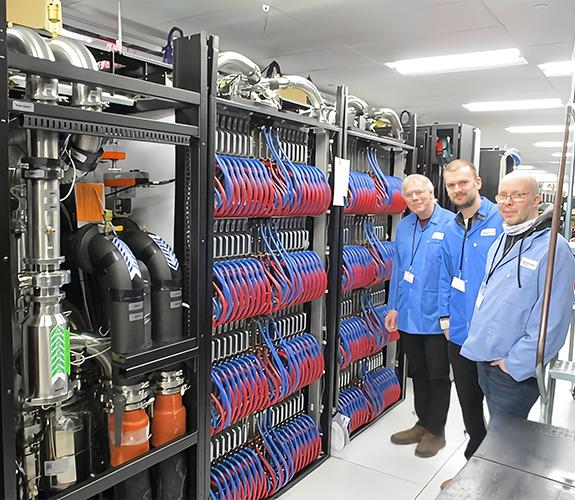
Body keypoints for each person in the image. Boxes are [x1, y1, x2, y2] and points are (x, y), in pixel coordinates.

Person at [462, 173, 575, 418]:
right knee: (498, 440)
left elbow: (552, 323)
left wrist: (514, 364)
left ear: (536, 200)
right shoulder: (500, 241)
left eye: (518, 195)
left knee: (507, 446)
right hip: (486, 359)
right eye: (503, 195)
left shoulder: (554, 249)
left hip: (514, 371)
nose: (508, 202)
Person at [438, 159, 503, 460]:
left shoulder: (501, 220)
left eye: (463, 182)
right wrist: (444, 317)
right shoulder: (452, 227)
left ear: (477, 182)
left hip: (493, 333)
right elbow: (445, 276)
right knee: (468, 400)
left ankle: (501, 468)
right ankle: (474, 458)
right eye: (451, 185)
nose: (457, 189)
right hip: (459, 331)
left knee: (500, 407)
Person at [385, 174, 454, 458]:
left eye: (419, 193)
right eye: (409, 194)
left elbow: (455, 273)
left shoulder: (451, 224)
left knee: (438, 375)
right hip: (409, 313)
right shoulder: (404, 226)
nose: (414, 198)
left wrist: (451, 315)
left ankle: (436, 431)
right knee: (417, 372)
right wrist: (392, 307)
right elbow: (398, 270)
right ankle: (422, 423)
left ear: (432, 192)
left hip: (438, 318)